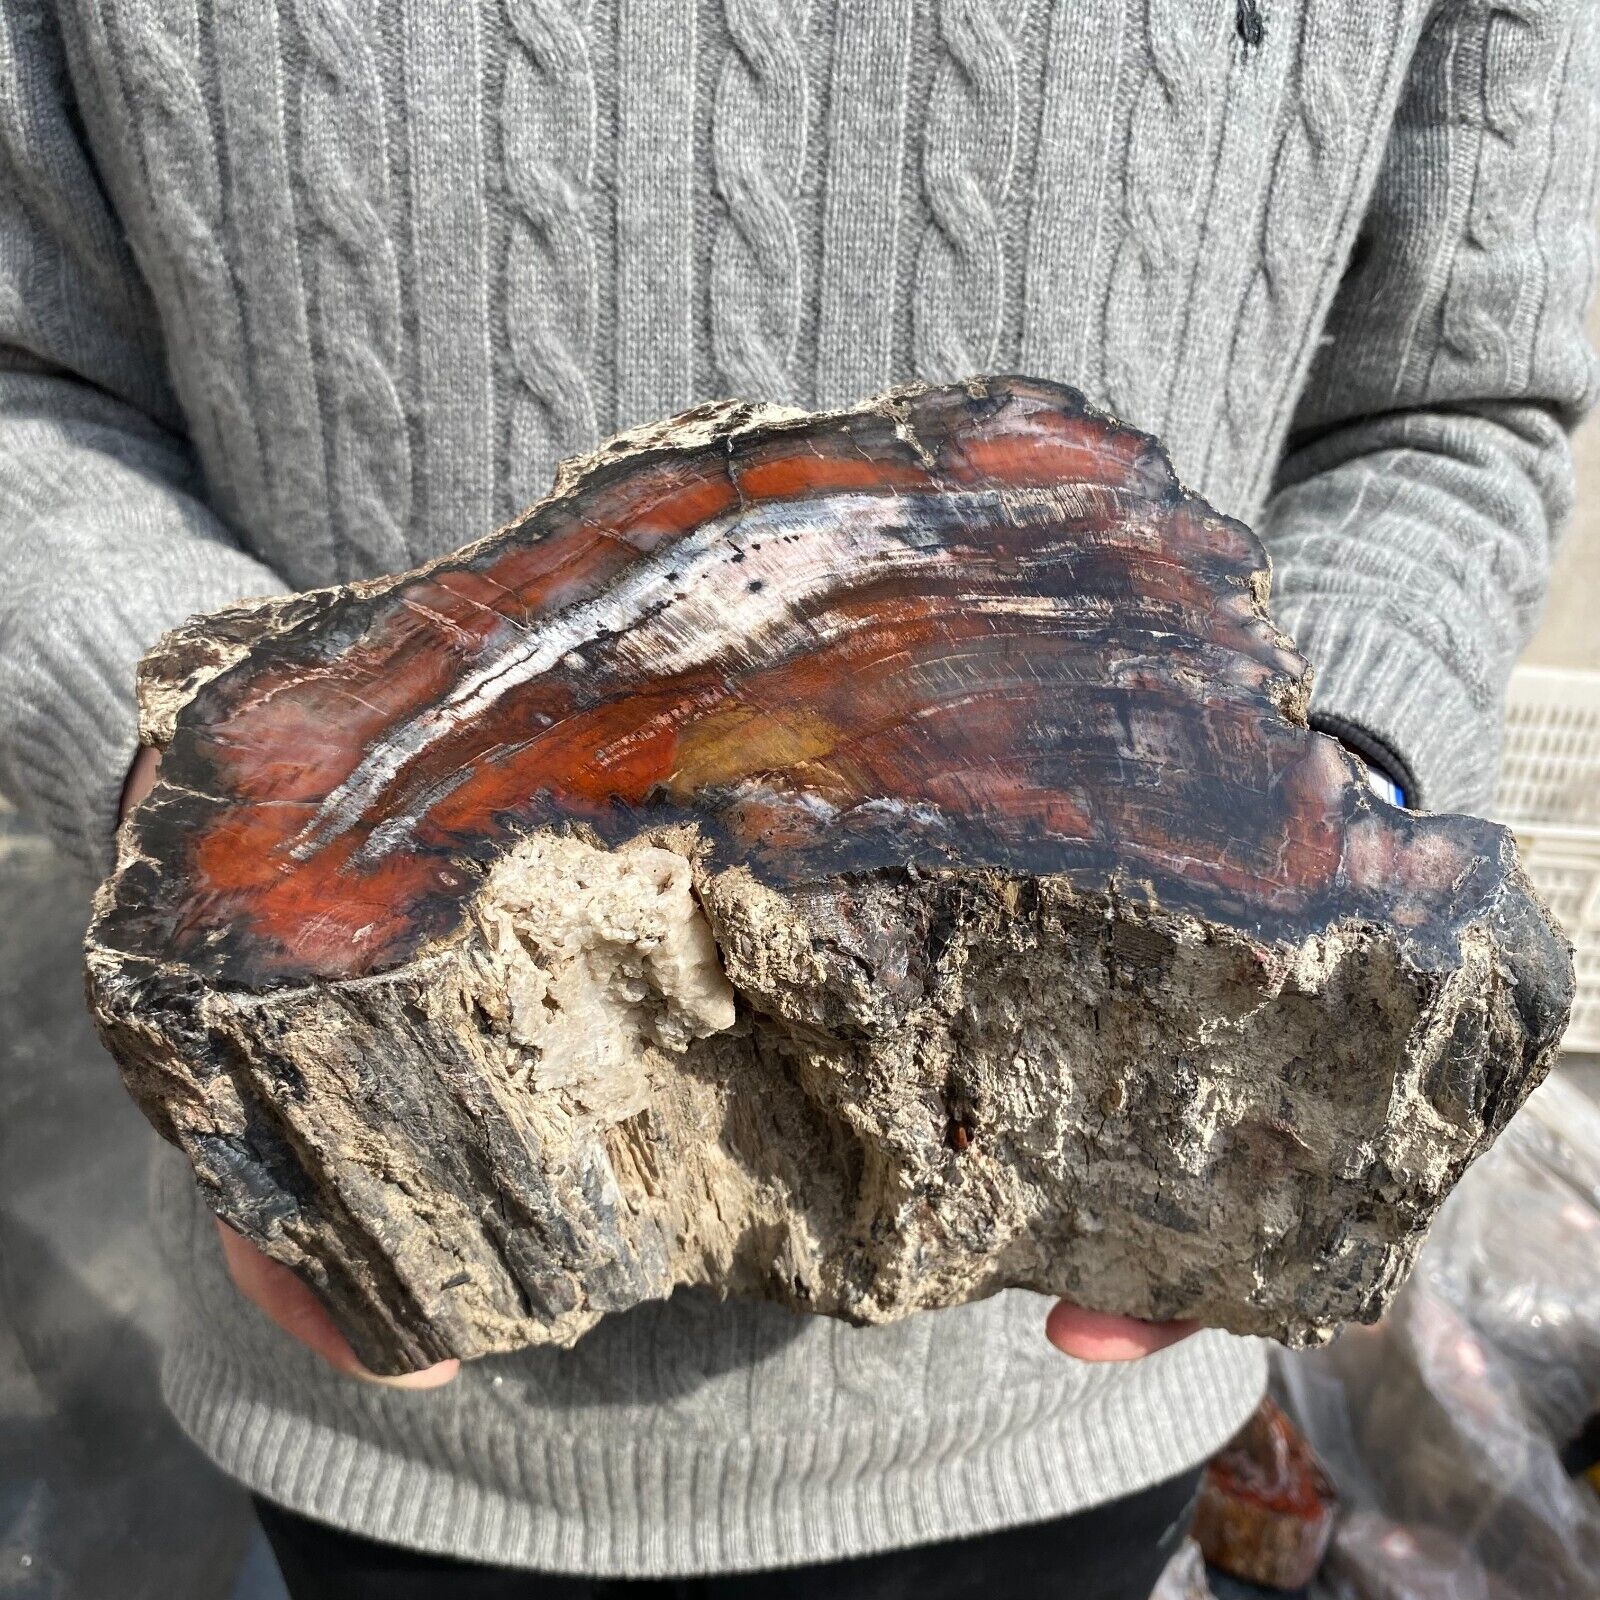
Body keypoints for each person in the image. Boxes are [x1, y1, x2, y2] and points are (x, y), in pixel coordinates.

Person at [0, 1, 1594, 1594]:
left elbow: (1452, 403)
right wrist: (201, 830)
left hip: (1066, 1398)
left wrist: (1324, 840)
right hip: (390, 1375)